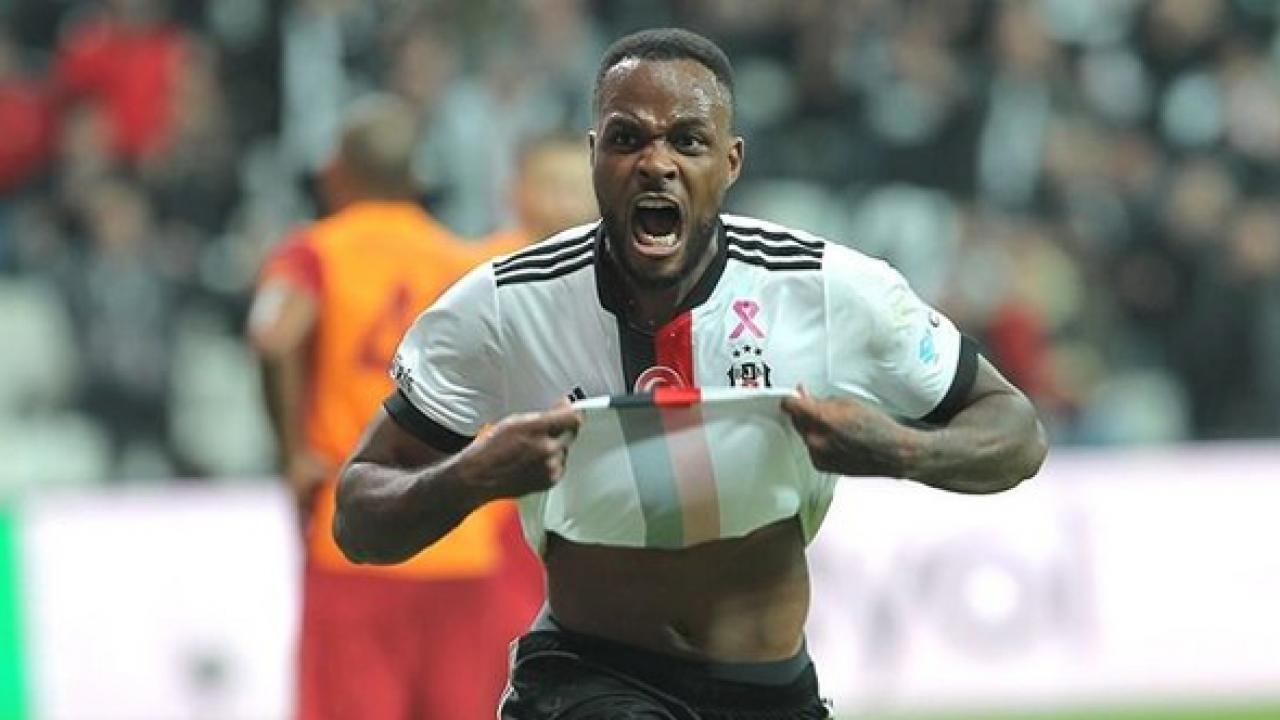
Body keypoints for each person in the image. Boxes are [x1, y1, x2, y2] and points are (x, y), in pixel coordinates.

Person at [334, 29, 1048, 720]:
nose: (656, 163)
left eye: (687, 140)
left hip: (772, 692)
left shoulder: (827, 291)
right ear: (592, 156)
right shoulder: (503, 304)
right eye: (627, 139)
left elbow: (1015, 431)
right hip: (586, 680)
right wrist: (473, 475)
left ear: (730, 162)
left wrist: (898, 450)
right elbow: (358, 516)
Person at [247, 94, 542, 720]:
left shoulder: (314, 251)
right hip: (460, 537)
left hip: (356, 532)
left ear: (335, 174)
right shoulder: (464, 261)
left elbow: (273, 336)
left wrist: (292, 455)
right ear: (416, 178)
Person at [473, 132, 598, 258]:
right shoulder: (487, 262)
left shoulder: (603, 260)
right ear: (517, 191)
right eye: (552, 188)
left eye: (576, 188)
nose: (566, 204)